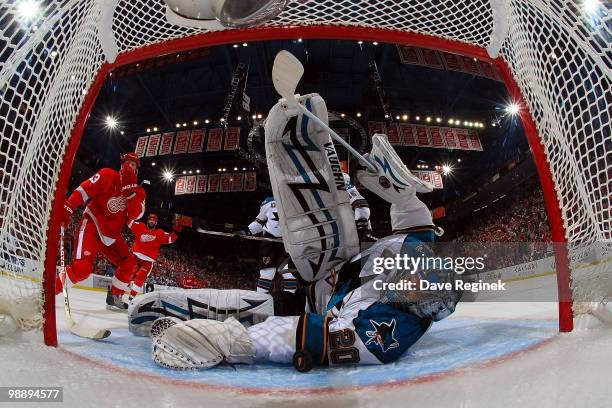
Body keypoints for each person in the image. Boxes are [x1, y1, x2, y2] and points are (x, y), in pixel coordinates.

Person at [130, 94, 460, 370]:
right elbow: (417, 221)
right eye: (422, 281)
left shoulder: (389, 334)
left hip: (311, 305)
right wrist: (401, 195)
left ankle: (213, 326)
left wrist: (238, 341)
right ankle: (170, 311)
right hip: (327, 272)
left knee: (272, 306)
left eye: (423, 298)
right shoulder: (415, 251)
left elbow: (312, 338)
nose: (415, 287)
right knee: (277, 296)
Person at [58, 152, 146, 310]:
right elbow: (85, 189)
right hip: (93, 222)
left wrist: (130, 192)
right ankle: (49, 291)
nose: (130, 167)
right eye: (128, 164)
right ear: (121, 166)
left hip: (110, 236)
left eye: (133, 165)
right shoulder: (108, 175)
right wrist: (69, 207)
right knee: (83, 268)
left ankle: (114, 296)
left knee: (130, 263)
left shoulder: (139, 192)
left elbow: (135, 214)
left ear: (137, 171)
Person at [240, 195, 297, 294]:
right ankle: (260, 300)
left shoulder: (295, 200)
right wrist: (246, 231)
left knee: (289, 273)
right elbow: (259, 221)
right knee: (268, 273)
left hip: (287, 242)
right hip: (269, 241)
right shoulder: (269, 201)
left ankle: (289, 300)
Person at [127, 213, 180, 297]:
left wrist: (177, 230)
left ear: (156, 223)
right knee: (127, 274)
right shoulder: (140, 226)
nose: (151, 221)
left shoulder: (160, 233)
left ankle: (131, 298)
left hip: (148, 261)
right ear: (147, 220)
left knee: (140, 278)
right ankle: (117, 294)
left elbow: (171, 238)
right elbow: (129, 221)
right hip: (135, 256)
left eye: (153, 220)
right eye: (150, 219)